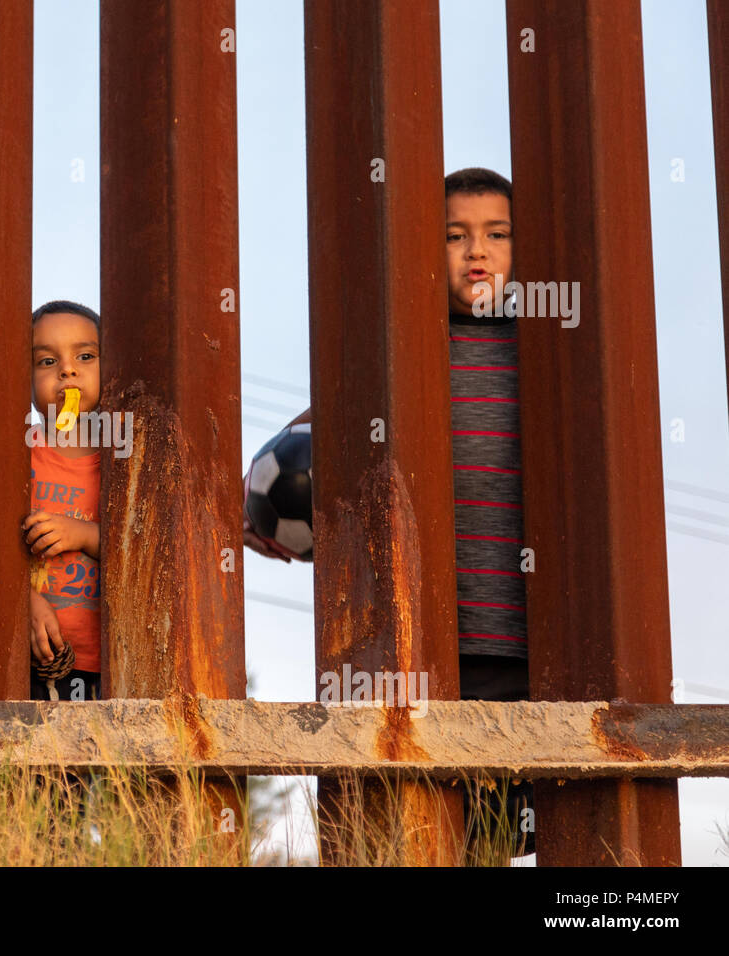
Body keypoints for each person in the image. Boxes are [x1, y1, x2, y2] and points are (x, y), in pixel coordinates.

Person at [245, 167, 533, 856]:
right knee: (426, 829)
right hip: (429, 641)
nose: (477, 252)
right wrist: (254, 500)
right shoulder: (405, 355)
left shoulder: (540, 352)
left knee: (503, 835)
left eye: (497, 234)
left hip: (524, 644)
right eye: (454, 236)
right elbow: (308, 439)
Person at [23, 301, 103, 702]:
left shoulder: (122, 459)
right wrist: (25, 600)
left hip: (102, 664)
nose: (67, 370)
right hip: (28, 660)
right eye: (47, 360)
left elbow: (143, 549)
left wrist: (84, 535)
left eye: (85, 356)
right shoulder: (19, 457)